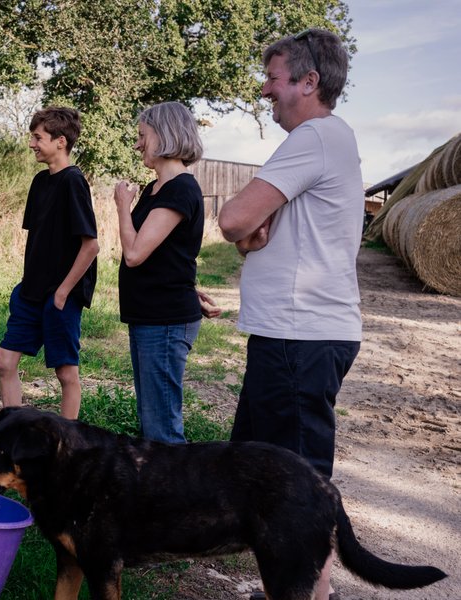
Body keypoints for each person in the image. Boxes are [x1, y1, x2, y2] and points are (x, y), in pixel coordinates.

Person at [218, 28, 363, 600]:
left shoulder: (315, 136)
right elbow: (250, 231)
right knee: (263, 475)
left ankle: (309, 596)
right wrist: (248, 234)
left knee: (295, 486)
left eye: (275, 79)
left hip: (299, 339)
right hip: (289, 336)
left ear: (310, 82)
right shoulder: (330, 139)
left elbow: (233, 219)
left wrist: (242, 230)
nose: (264, 90)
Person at [113, 101, 218, 444]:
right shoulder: (155, 189)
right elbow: (172, 254)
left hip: (165, 320)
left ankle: (180, 496)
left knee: (162, 430)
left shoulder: (180, 189)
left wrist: (121, 208)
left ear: (165, 134)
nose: (138, 144)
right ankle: (159, 493)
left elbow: (135, 253)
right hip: (150, 315)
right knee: (151, 420)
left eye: (142, 135)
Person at [0, 106, 100, 419]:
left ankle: (69, 445)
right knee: (4, 360)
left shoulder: (73, 182)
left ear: (61, 141)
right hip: (31, 292)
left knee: (66, 374)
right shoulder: (41, 182)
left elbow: (90, 246)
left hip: (59, 296)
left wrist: (63, 292)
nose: (32, 144)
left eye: (38, 137)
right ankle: (12, 432)